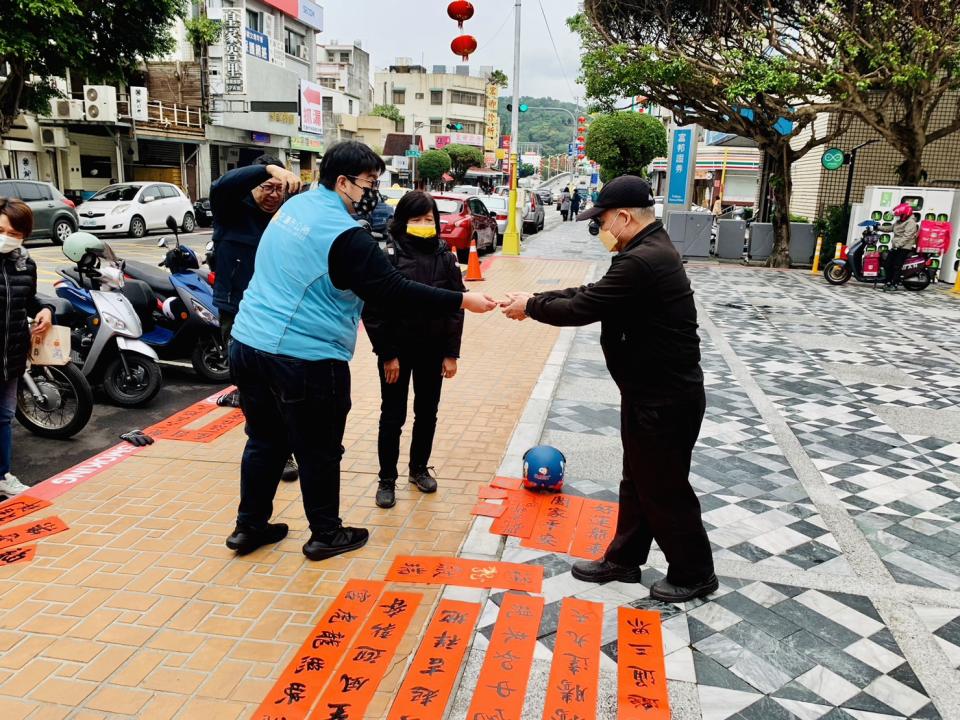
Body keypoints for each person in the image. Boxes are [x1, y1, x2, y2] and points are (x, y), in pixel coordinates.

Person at [225, 141, 497, 561]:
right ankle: (326, 535)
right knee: (319, 448)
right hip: (303, 356)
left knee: (264, 440)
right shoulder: (345, 235)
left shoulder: (294, 208)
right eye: (369, 183)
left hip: (248, 343)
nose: (373, 191)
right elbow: (393, 290)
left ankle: (250, 527)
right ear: (343, 182)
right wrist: (461, 301)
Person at [500, 175, 716, 604]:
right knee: (637, 481)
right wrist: (534, 296)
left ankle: (695, 572)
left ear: (622, 216)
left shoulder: (643, 260)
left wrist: (531, 307)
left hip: (664, 399)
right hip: (649, 393)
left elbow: (584, 307)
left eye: (601, 221)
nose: (599, 229)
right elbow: (591, 292)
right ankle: (624, 558)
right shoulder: (645, 251)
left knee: (664, 487)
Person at [362, 191, 466, 509]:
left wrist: (451, 353)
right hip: (397, 351)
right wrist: (387, 353)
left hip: (432, 351)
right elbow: (373, 308)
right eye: (417, 219)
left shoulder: (444, 255)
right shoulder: (387, 255)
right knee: (392, 416)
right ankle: (386, 479)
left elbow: (456, 307)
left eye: (429, 219)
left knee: (427, 413)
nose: (424, 224)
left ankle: (418, 469)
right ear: (403, 221)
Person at [209, 154, 301, 482]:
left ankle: (281, 447)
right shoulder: (230, 211)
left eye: (279, 188)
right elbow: (221, 186)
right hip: (236, 312)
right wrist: (268, 168)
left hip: (277, 312)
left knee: (280, 384)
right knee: (252, 388)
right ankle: (271, 452)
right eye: (266, 187)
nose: (273, 194)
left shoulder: (287, 220)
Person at [0, 198, 53, 497]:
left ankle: (2, 476)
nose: (7, 238)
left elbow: (29, 299)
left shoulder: (24, 263)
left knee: (4, 418)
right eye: (1, 230)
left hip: (12, 354)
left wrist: (45, 309)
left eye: (15, 234)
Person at [885, 203, 918, 290]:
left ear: (905, 214)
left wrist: (898, 245)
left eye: (899, 215)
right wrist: (877, 227)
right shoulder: (900, 221)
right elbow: (891, 228)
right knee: (887, 263)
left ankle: (895, 284)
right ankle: (888, 281)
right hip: (896, 246)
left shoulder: (911, 222)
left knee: (897, 265)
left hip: (904, 247)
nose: (897, 217)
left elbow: (907, 236)